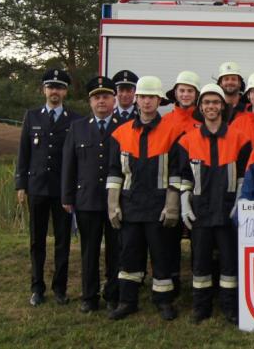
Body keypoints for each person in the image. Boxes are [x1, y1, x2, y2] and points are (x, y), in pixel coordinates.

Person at [106, 76, 183, 321]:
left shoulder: (173, 132)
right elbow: (114, 172)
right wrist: (112, 203)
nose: (147, 101)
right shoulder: (120, 133)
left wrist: (172, 204)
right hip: (130, 206)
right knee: (129, 255)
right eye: (143, 96)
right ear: (136, 99)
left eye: (152, 97)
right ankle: (127, 301)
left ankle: (164, 301)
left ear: (159, 100)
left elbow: (177, 173)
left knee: (162, 256)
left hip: (159, 207)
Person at [177, 84, 252, 324]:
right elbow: (184, 177)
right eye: (207, 102)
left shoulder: (240, 138)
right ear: (200, 107)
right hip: (200, 210)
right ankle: (201, 307)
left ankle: (230, 307)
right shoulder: (187, 140)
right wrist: (184, 204)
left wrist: (240, 200)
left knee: (230, 262)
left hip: (228, 210)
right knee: (200, 261)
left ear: (223, 106)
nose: (211, 106)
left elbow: (243, 175)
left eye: (215, 102)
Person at [16, 68, 82, 307]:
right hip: (36, 188)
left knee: (63, 241)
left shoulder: (75, 120)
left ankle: (60, 288)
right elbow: (24, 153)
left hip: (62, 190)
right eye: (51, 87)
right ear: (44, 89)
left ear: (65, 92)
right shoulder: (32, 116)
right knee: (37, 241)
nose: (55, 91)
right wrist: (20, 184)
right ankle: (37, 288)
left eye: (60, 87)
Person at [61, 76, 121, 313]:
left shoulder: (123, 127)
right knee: (89, 250)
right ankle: (89, 296)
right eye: (97, 97)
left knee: (115, 250)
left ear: (113, 100)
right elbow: (69, 164)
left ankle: (113, 295)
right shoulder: (78, 127)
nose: (101, 102)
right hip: (86, 199)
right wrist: (66, 197)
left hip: (115, 201)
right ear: (90, 102)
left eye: (106, 97)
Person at [161, 70, 202, 296]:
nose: (186, 95)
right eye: (182, 90)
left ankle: (199, 280)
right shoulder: (166, 121)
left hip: (199, 186)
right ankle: (173, 280)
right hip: (172, 187)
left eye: (190, 91)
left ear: (196, 94)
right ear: (175, 93)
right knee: (171, 234)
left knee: (198, 235)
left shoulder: (204, 119)